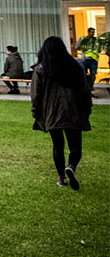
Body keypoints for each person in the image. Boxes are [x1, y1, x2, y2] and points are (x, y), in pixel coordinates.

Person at [31, 35, 93, 190]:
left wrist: (36, 112)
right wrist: (87, 109)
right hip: (74, 111)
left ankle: (61, 177)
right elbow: (85, 91)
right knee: (75, 147)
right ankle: (71, 166)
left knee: (57, 145)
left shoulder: (41, 69)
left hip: (52, 113)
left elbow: (36, 94)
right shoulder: (74, 67)